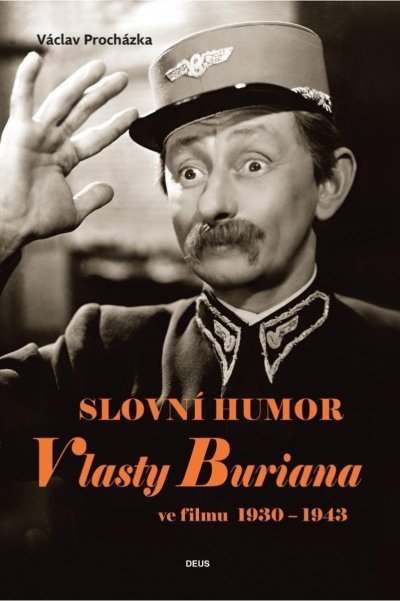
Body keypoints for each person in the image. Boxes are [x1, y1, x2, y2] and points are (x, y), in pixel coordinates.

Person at [0, 22, 399, 600]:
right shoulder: (103, 351)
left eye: (253, 163)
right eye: (188, 172)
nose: (213, 203)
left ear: (329, 182)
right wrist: (5, 230)